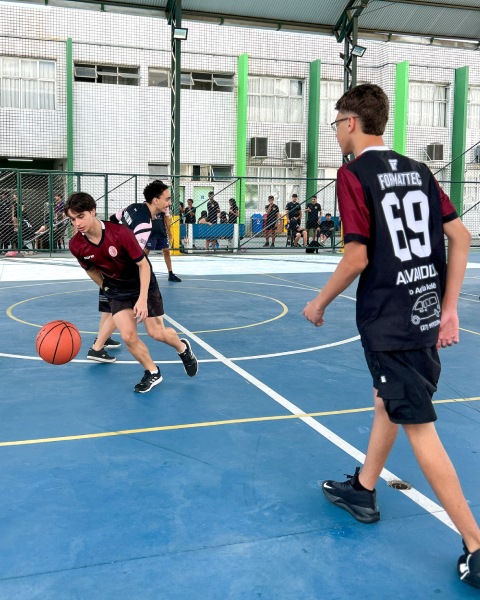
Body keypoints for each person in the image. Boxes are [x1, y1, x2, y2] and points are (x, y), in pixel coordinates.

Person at [303, 83, 480, 589]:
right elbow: (460, 236)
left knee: (417, 423)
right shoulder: (420, 170)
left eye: (336, 124)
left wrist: (319, 302)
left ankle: (475, 544)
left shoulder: (353, 174)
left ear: (351, 123)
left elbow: (357, 256)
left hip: (391, 319)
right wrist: (449, 308)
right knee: (388, 400)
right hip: (423, 311)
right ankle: (363, 488)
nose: (336, 133)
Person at [65, 191, 198, 393]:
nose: (77, 223)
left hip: (142, 282)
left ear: (92, 211)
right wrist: (105, 287)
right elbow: (90, 269)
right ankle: (152, 372)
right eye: (72, 219)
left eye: (80, 216)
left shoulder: (119, 233)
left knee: (156, 333)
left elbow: (143, 266)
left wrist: (142, 299)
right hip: (117, 289)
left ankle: (183, 348)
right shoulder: (76, 244)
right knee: (128, 336)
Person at [144, 207, 182, 282]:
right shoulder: (148, 204)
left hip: (161, 232)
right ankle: (137, 271)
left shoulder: (165, 206)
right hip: (150, 232)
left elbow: (166, 219)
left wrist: (169, 232)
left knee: (166, 251)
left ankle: (170, 274)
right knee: (145, 252)